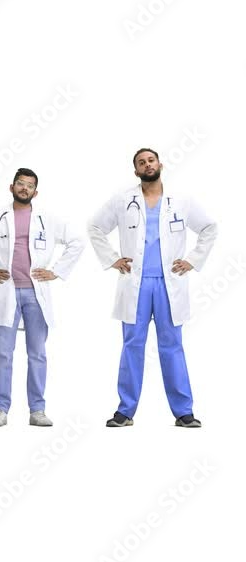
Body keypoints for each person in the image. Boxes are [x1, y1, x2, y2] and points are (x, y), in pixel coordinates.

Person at [88, 148, 217, 428]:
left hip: (169, 284)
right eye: (141, 162)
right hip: (136, 283)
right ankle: (125, 410)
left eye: (151, 160)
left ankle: (184, 411)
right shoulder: (123, 200)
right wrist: (112, 259)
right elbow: (95, 227)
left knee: (172, 347)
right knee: (132, 346)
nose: (147, 165)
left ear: (160, 164)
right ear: (136, 171)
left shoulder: (181, 201)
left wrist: (193, 260)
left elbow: (209, 228)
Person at [0, 168, 84, 427]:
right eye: (20, 184)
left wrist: (56, 271)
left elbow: (76, 242)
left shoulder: (47, 219)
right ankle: (0, 409)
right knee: (3, 353)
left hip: (36, 294)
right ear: (11, 187)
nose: (24, 188)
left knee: (37, 353)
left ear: (36, 192)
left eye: (29, 185)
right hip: (7, 291)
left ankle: (37, 410)